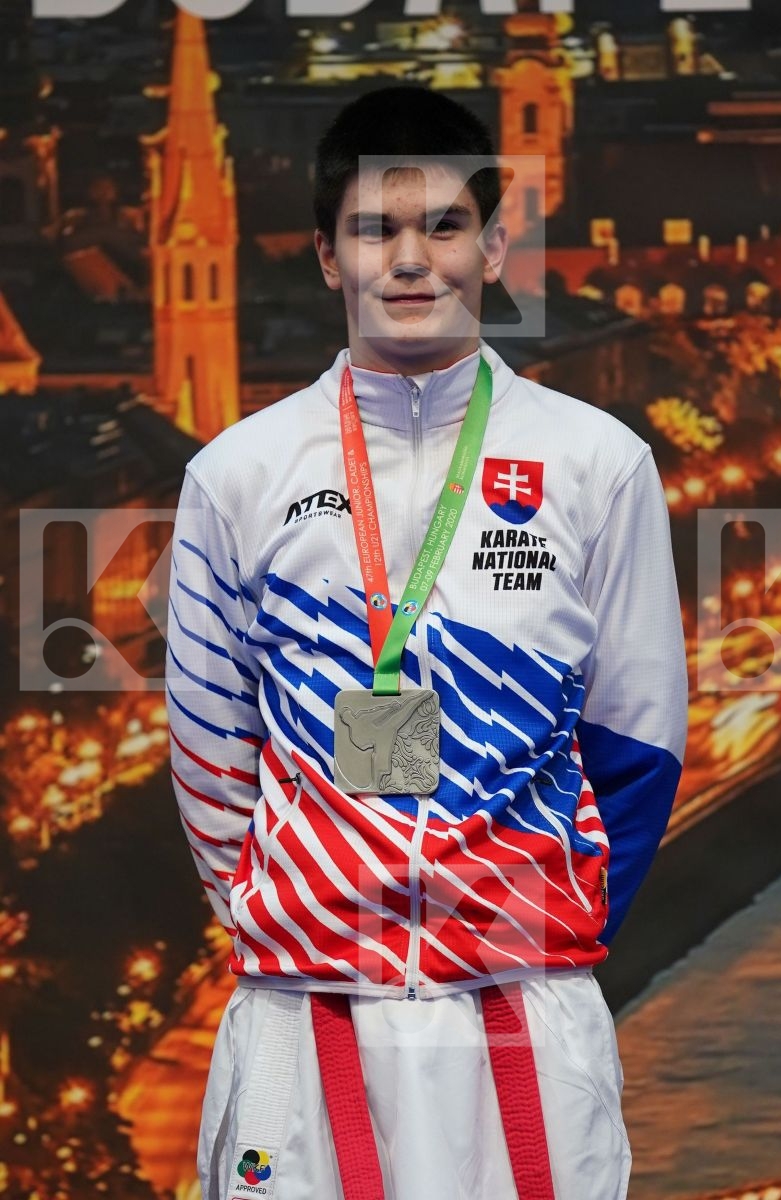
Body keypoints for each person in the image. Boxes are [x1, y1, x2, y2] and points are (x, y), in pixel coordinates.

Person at [165, 85, 687, 1200]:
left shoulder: (597, 463)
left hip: (522, 1010)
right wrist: (303, 907)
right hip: (305, 1011)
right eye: (373, 229)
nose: (410, 260)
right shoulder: (235, 476)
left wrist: (538, 917)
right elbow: (212, 759)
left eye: (443, 225)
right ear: (325, 255)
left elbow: (640, 743)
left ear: (494, 245)